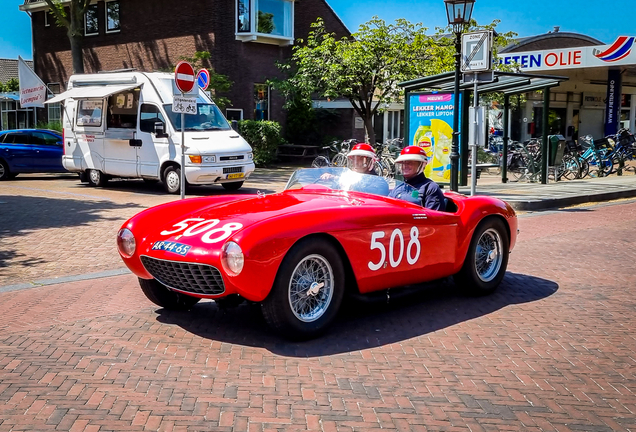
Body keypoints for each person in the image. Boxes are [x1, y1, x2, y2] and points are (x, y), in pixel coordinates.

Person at [389, 146, 446, 211]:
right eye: (403, 163)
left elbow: (434, 217)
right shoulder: (398, 188)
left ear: (422, 164)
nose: (405, 166)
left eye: (410, 162)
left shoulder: (430, 188)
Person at [319, 143, 389, 195]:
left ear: (371, 162)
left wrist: (347, 183)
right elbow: (333, 192)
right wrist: (334, 178)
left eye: (362, 160)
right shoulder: (348, 176)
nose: (356, 163)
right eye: (354, 159)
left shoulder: (379, 182)